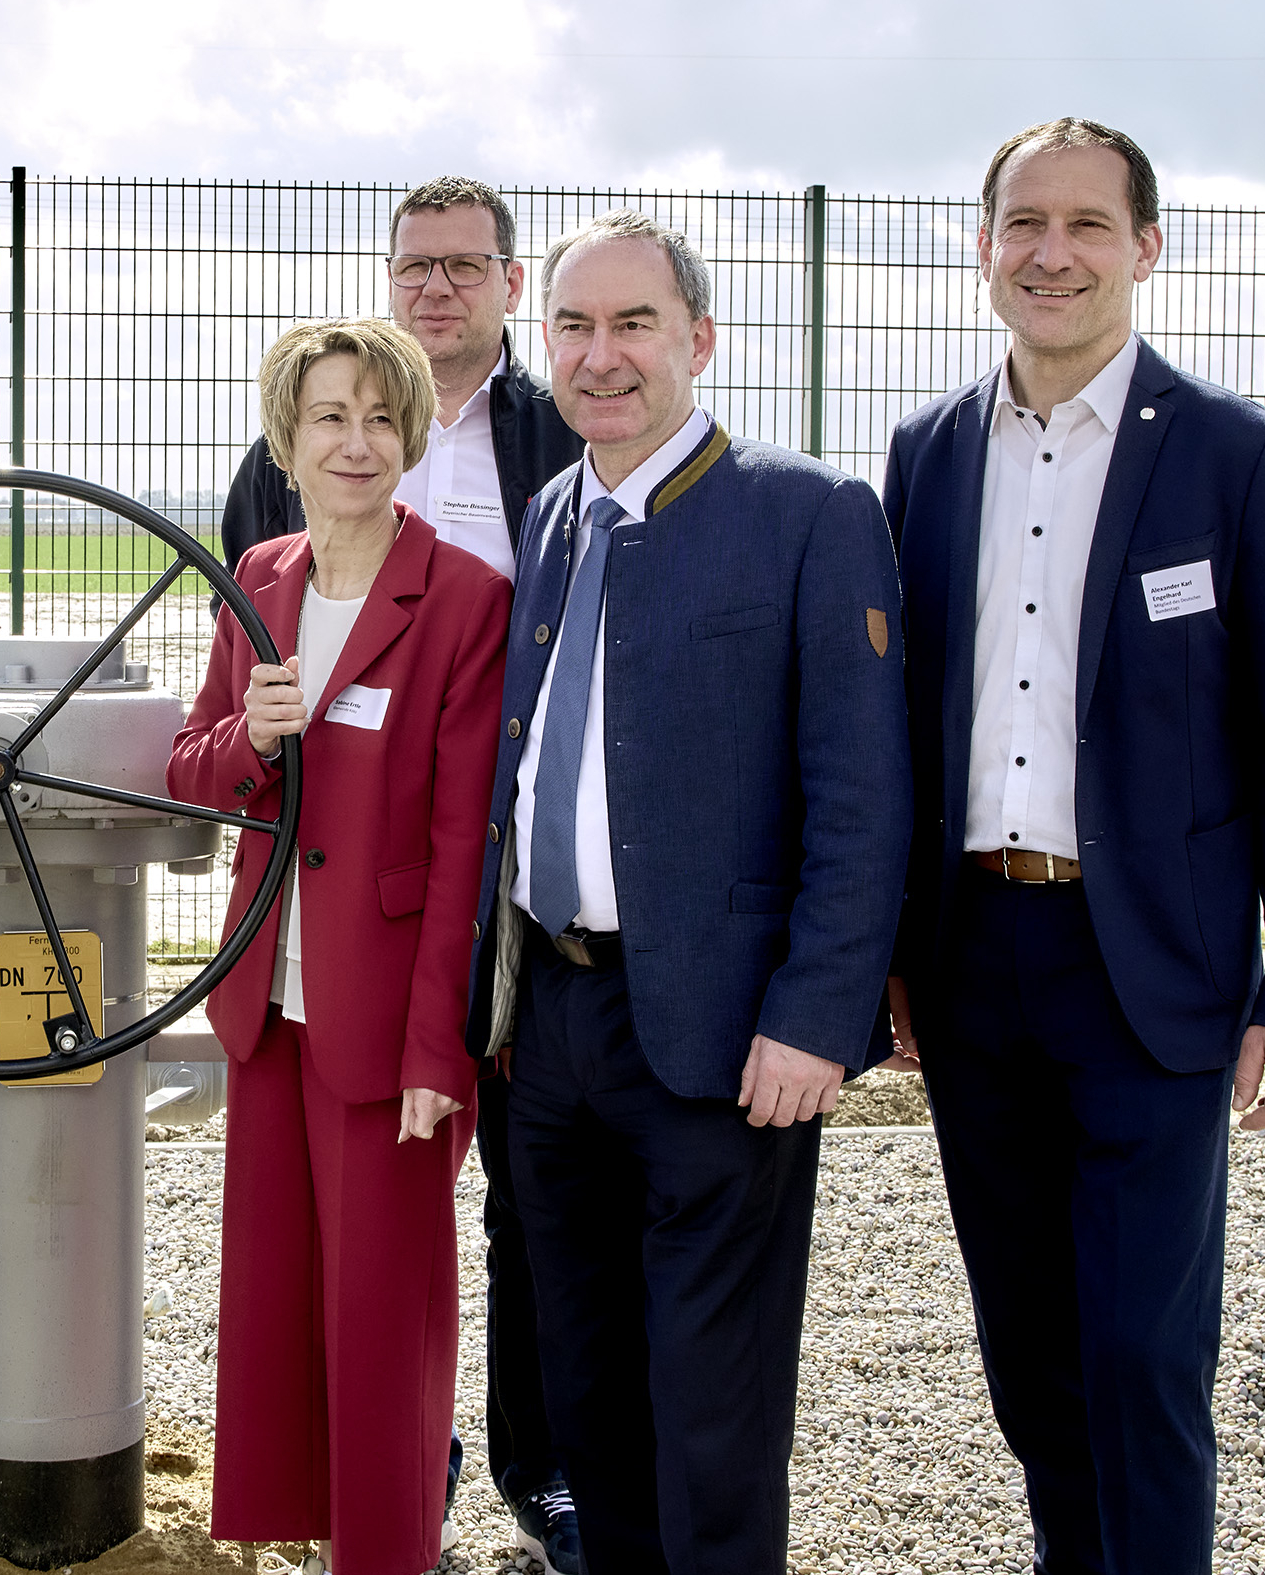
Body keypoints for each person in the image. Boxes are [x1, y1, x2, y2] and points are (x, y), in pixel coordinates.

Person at [881, 119, 1265, 1575]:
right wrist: (892, 959)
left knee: (1144, 1351)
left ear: (1147, 250)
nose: (1054, 253)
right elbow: (904, 726)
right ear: (983, 248)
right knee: (1029, 1349)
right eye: (1025, 223)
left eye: (1089, 225)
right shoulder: (928, 454)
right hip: (974, 963)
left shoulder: (1228, 453)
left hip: (1153, 964)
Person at [464, 211, 908, 1574]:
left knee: (711, 1405)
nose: (603, 357)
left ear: (698, 339)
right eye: (577, 328)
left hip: (724, 1036)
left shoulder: (804, 513)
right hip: (554, 1029)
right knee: (588, 1385)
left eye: (635, 324)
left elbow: (863, 789)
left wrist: (820, 1015)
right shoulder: (553, 512)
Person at [219, 172, 590, 1575]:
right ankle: (395, 1456)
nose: (437, 287)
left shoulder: (561, 430)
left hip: (530, 865)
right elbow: (238, 676)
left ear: (509, 284)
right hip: (371, 879)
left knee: (524, 1191)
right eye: (415, 265)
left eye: (465, 266)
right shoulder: (285, 483)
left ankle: (534, 1457)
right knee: (366, 1218)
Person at [171, 317, 511, 1575]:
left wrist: (441, 1049)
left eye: (379, 418)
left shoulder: (465, 597)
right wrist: (250, 742)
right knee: (274, 1307)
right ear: (288, 438)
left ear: (411, 436)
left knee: (384, 1320)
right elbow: (195, 776)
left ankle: (386, 1555)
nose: (355, 442)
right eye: (329, 417)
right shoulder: (257, 578)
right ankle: (306, 1538)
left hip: (387, 1031)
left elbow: (465, 841)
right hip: (269, 1009)